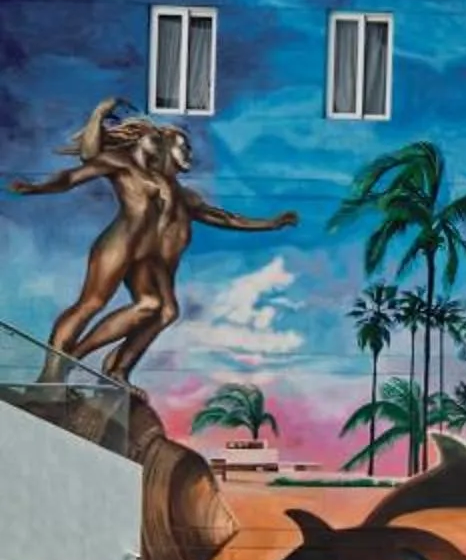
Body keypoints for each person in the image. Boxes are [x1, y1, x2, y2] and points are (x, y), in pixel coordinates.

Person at [11, 97, 298, 383]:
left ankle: (108, 366)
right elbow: (74, 175)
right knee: (91, 304)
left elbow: (225, 218)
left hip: (147, 256)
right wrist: (36, 188)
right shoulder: (123, 164)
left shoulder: (184, 194)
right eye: (182, 146)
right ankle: (51, 375)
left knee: (160, 308)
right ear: (163, 144)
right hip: (120, 244)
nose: (189, 153)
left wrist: (271, 223)